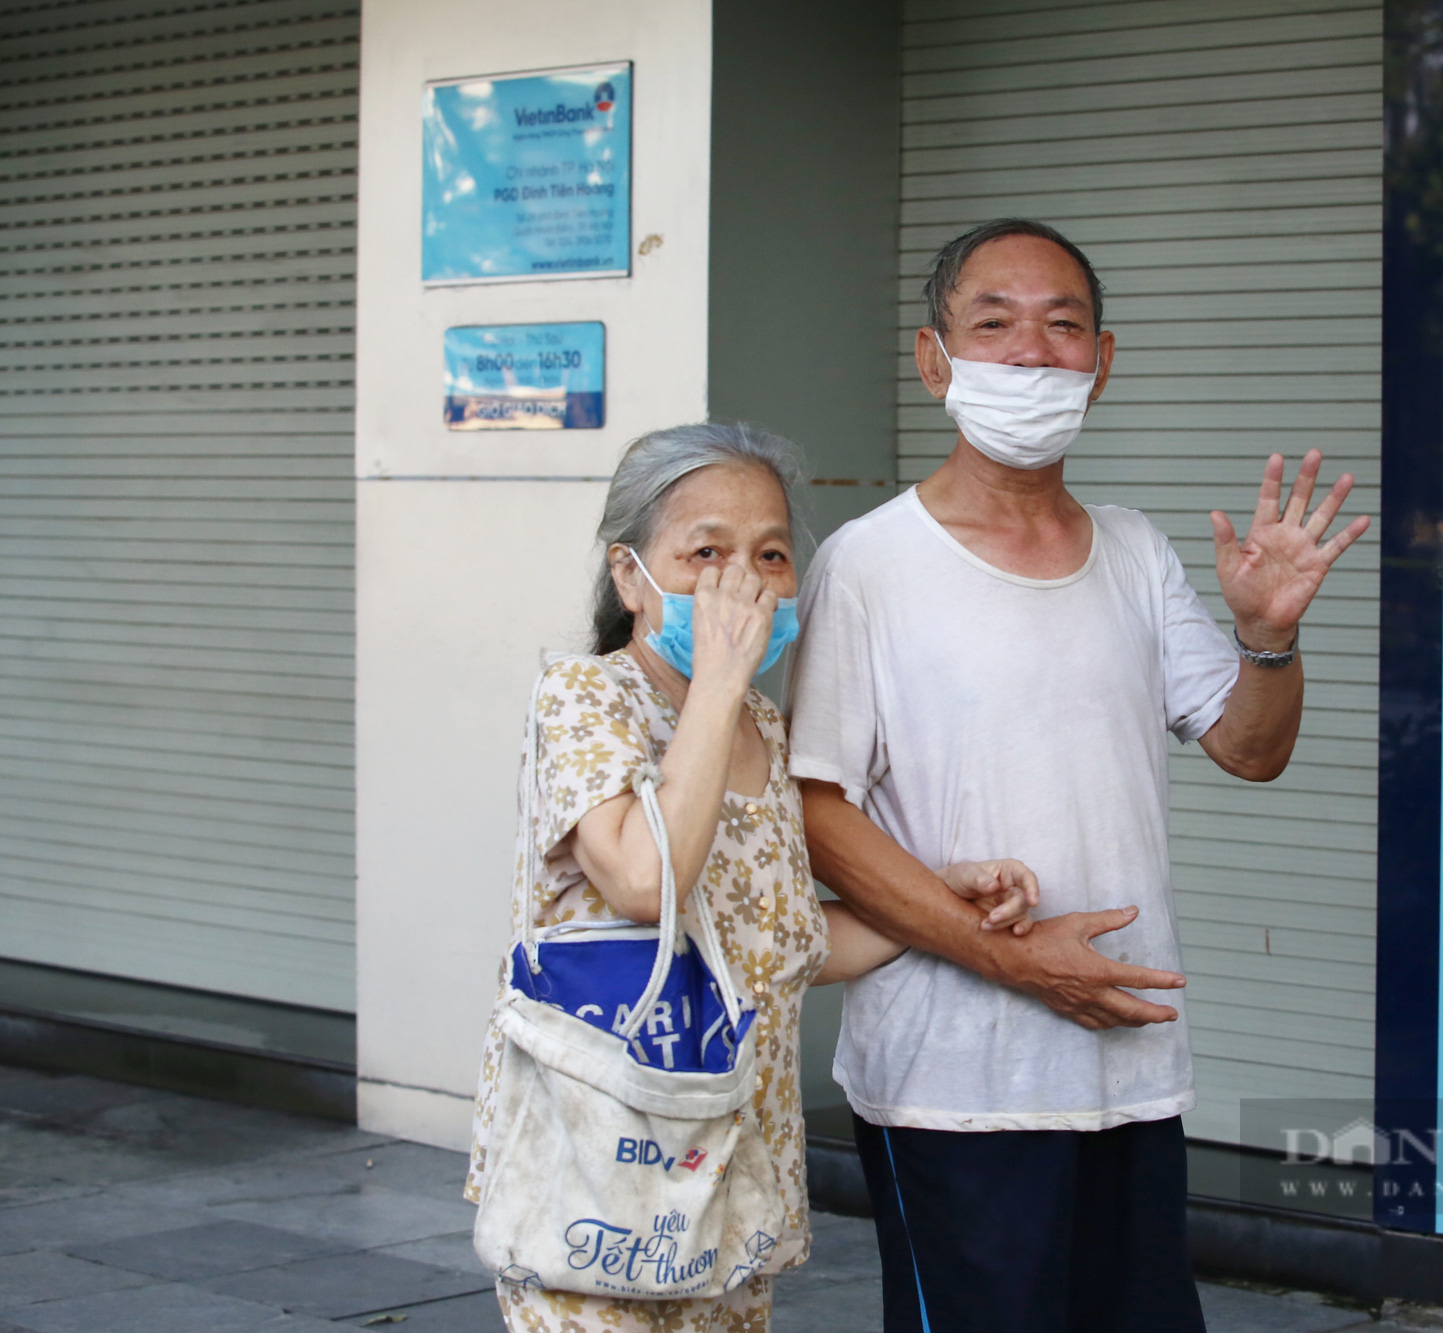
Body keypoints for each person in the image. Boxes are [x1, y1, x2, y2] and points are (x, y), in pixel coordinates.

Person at [787, 220, 1371, 1333]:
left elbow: (1249, 748)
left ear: (1103, 362)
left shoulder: (1135, 550)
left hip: (1128, 1064)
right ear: (933, 358)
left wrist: (1269, 639)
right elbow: (816, 814)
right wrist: (1013, 960)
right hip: (953, 1086)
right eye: (992, 324)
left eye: (1062, 327)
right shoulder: (867, 563)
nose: (1030, 354)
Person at [464, 423, 1037, 1333]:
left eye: (770, 553)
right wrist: (721, 680)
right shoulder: (583, 697)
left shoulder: (764, 732)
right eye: (706, 553)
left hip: (727, 1179)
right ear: (629, 578)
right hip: (594, 1180)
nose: (745, 581)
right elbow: (646, 883)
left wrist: (933, 899)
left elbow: (789, 945)